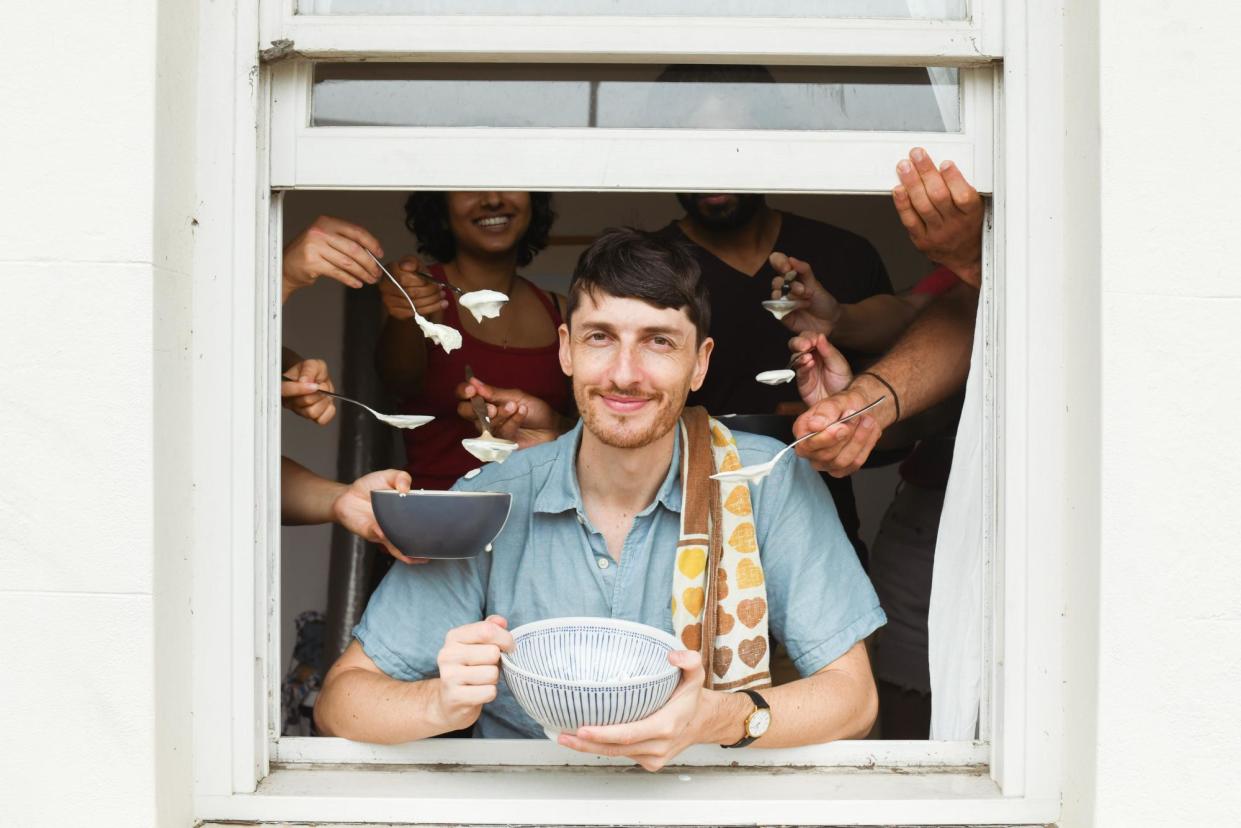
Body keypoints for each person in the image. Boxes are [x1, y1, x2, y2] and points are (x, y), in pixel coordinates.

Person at [314, 228, 885, 769]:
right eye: (600, 337)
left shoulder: (764, 480)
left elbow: (854, 700)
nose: (624, 374)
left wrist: (722, 717)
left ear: (701, 362)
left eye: (658, 341)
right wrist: (438, 704)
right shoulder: (490, 499)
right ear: (566, 350)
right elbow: (340, 703)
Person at [790, 148, 984, 476]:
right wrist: (839, 321)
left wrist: (973, 263)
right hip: (934, 480)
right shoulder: (955, 293)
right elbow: (921, 309)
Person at [376, 191, 575, 490]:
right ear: (441, 203)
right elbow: (396, 381)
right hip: (435, 519)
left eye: (508, 182)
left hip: (542, 524)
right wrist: (405, 310)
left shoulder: (560, 312)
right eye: (471, 185)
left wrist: (555, 428)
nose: (493, 199)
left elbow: (587, 437)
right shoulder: (422, 296)